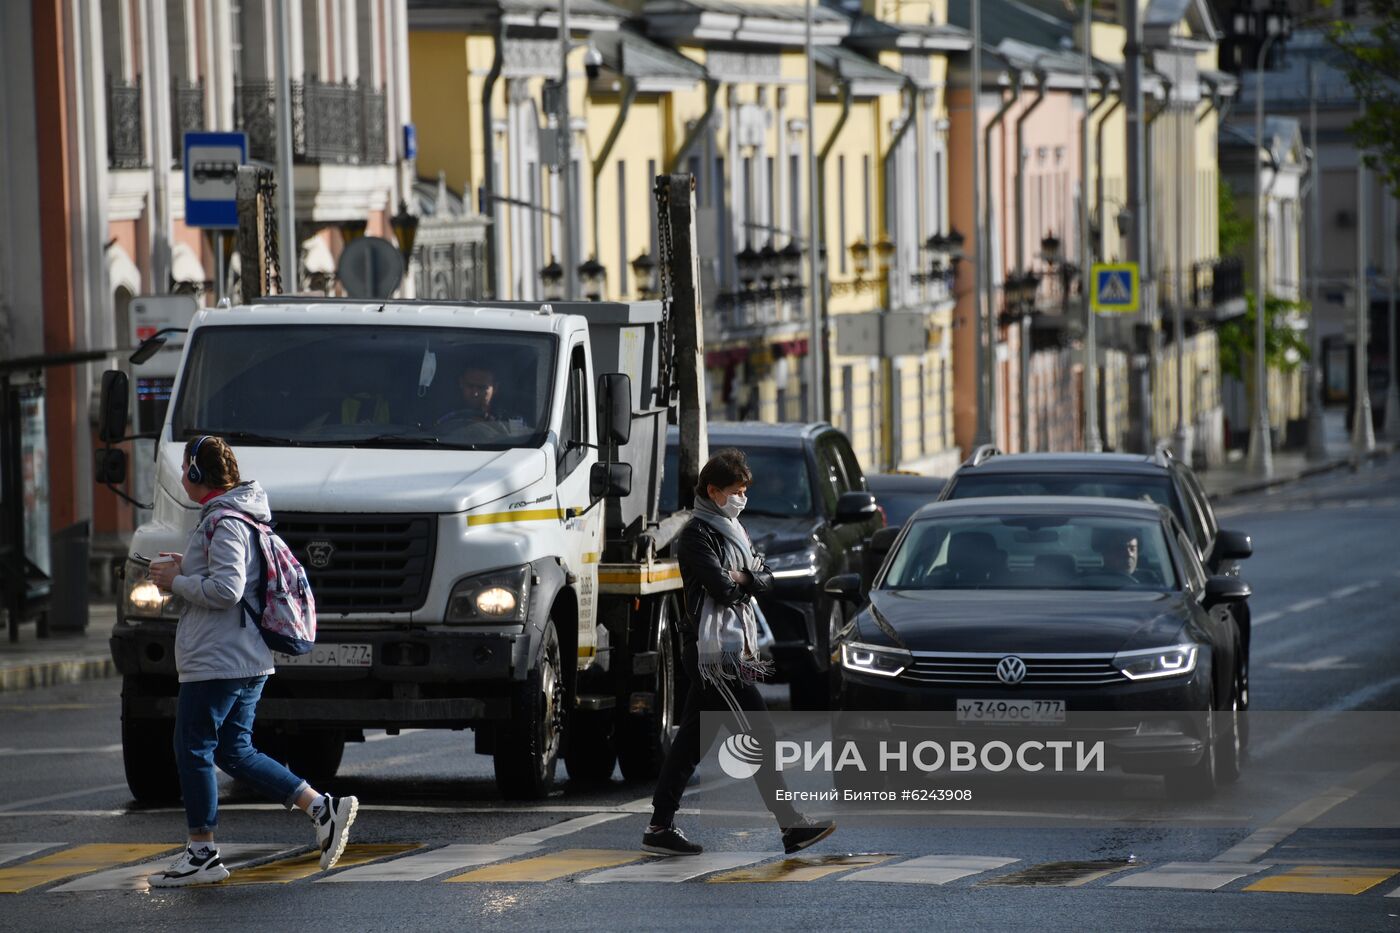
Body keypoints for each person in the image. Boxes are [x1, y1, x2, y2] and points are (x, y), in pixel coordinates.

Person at [145, 435, 358, 887]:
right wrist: (188, 567)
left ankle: (202, 852)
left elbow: (227, 590)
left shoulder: (224, 521)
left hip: (218, 659)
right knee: (234, 751)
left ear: (198, 474)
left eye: (185, 469)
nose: (182, 477)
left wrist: (176, 581)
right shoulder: (239, 517)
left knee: (192, 748)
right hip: (243, 656)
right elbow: (228, 578)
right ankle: (322, 808)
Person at [644, 448, 835, 857]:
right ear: (713, 491)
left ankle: (659, 826)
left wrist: (744, 575)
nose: (742, 497)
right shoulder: (697, 535)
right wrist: (745, 579)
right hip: (717, 653)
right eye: (736, 490)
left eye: (745, 490)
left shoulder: (735, 530)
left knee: (692, 741)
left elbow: (766, 578)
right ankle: (791, 826)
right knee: (760, 735)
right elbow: (722, 588)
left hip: (733, 647)